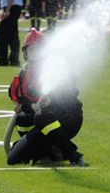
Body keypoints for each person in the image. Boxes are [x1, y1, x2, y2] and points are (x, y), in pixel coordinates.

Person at [7, 28, 85, 167]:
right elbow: (17, 94)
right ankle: (51, 150)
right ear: (26, 53)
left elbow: (71, 92)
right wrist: (28, 105)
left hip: (67, 118)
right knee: (13, 157)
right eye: (31, 50)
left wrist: (52, 100)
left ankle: (73, 154)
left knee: (41, 116)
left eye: (38, 49)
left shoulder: (56, 67)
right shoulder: (25, 71)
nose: (35, 54)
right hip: (43, 123)